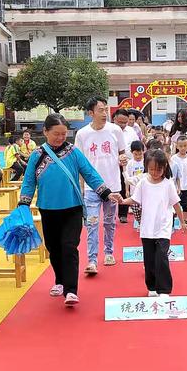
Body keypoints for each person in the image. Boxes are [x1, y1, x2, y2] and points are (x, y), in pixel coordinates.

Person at [19, 114, 122, 306]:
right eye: (56, 134)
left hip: (73, 208)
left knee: (69, 246)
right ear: (45, 132)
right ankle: (59, 280)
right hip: (48, 209)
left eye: (64, 134)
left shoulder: (73, 152)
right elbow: (29, 182)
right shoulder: (37, 155)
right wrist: (23, 204)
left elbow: (90, 173)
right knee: (54, 248)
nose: (60, 138)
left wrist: (106, 193)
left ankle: (71, 290)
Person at [121, 149, 187, 297]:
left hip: (163, 228)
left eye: (158, 169)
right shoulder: (143, 183)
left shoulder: (168, 184)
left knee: (162, 258)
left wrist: (182, 222)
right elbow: (135, 199)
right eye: (151, 169)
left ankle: (164, 289)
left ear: (164, 168)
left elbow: (176, 204)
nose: (155, 172)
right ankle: (151, 287)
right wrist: (123, 201)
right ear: (146, 167)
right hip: (147, 228)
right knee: (149, 260)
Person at [75, 96, 127, 275]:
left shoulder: (115, 130)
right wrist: (81, 188)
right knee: (92, 223)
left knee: (109, 222)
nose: (105, 113)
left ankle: (109, 252)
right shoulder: (82, 134)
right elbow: (79, 163)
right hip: (91, 188)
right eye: (100, 110)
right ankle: (91, 260)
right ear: (91, 113)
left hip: (112, 185)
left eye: (106, 109)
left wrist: (123, 159)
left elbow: (122, 153)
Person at [113, 108, 139, 223]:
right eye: (120, 122)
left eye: (125, 122)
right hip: (112, 165)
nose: (123, 125)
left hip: (127, 165)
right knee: (113, 188)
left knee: (124, 187)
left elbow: (136, 146)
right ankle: (111, 213)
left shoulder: (131, 131)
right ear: (114, 119)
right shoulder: (109, 131)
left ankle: (123, 214)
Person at [123, 140, 145, 224]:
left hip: (144, 189)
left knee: (144, 208)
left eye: (140, 154)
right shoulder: (130, 164)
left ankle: (143, 224)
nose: (138, 156)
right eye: (136, 154)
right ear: (132, 152)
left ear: (143, 152)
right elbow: (127, 178)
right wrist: (127, 190)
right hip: (134, 190)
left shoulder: (145, 162)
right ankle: (139, 221)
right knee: (135, 210)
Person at [172, 135, 187, 225]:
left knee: (186, 203)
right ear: (177, 146)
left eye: (185, 146)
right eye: (180, 146)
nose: (183, 148)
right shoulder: (173, 159)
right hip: (175, 186)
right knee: (175, 203)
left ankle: (184, 219)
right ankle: (175, 219)